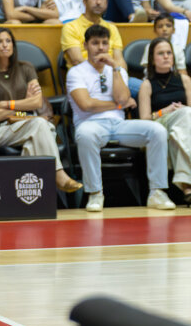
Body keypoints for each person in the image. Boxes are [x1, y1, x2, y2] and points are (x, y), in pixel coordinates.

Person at [70, 23, 175, 212]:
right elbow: (86, 104)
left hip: (119, 125)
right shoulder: (76, 72)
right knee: (85, 135)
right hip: (91, 124)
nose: (101, 48)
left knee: (157, 130)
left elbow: (122, 97)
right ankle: (95, 194)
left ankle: (157, 192)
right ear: (85, 46)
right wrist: (119, 105)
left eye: (104, 43)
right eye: (95, 43)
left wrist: (115, 69)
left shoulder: (118, 70)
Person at [0, 27, 82, 190]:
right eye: (0, 41)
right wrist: (23, 103)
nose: (5, 45)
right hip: (2, 129)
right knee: (43, 125)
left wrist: (7, 104)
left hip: (27, 123)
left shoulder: (26, 68)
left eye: (8, 41)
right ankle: (59, 176)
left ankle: (27, 191)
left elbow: (36, 103)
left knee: (34, 139)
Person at [137, 37, 191, 205]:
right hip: (159, 125)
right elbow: (144, 120)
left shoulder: (185, 80)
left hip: (181, 126)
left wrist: (180, 112)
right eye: (161, 53)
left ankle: (186, 183)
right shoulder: (147, 85)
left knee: (182, 124)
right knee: (185, 114)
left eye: (169, 53)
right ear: (152, 59)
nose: (166, 57)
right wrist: (165, 111)